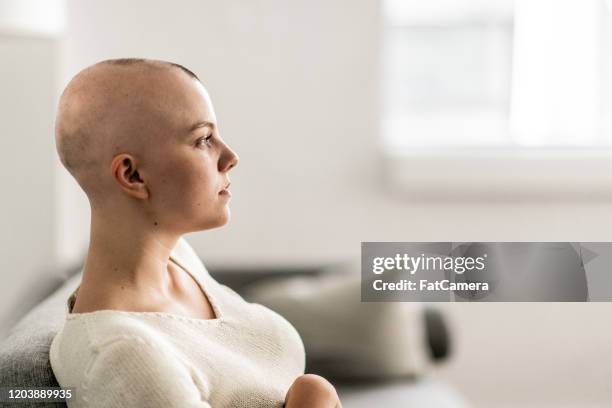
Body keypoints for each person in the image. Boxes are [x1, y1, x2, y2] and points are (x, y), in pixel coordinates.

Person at [50, 58, 342, 408]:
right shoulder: (123, 357)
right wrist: (314, 399)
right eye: (203, 139)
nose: (230, 156)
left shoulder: (178, 258)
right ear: (132, 175)